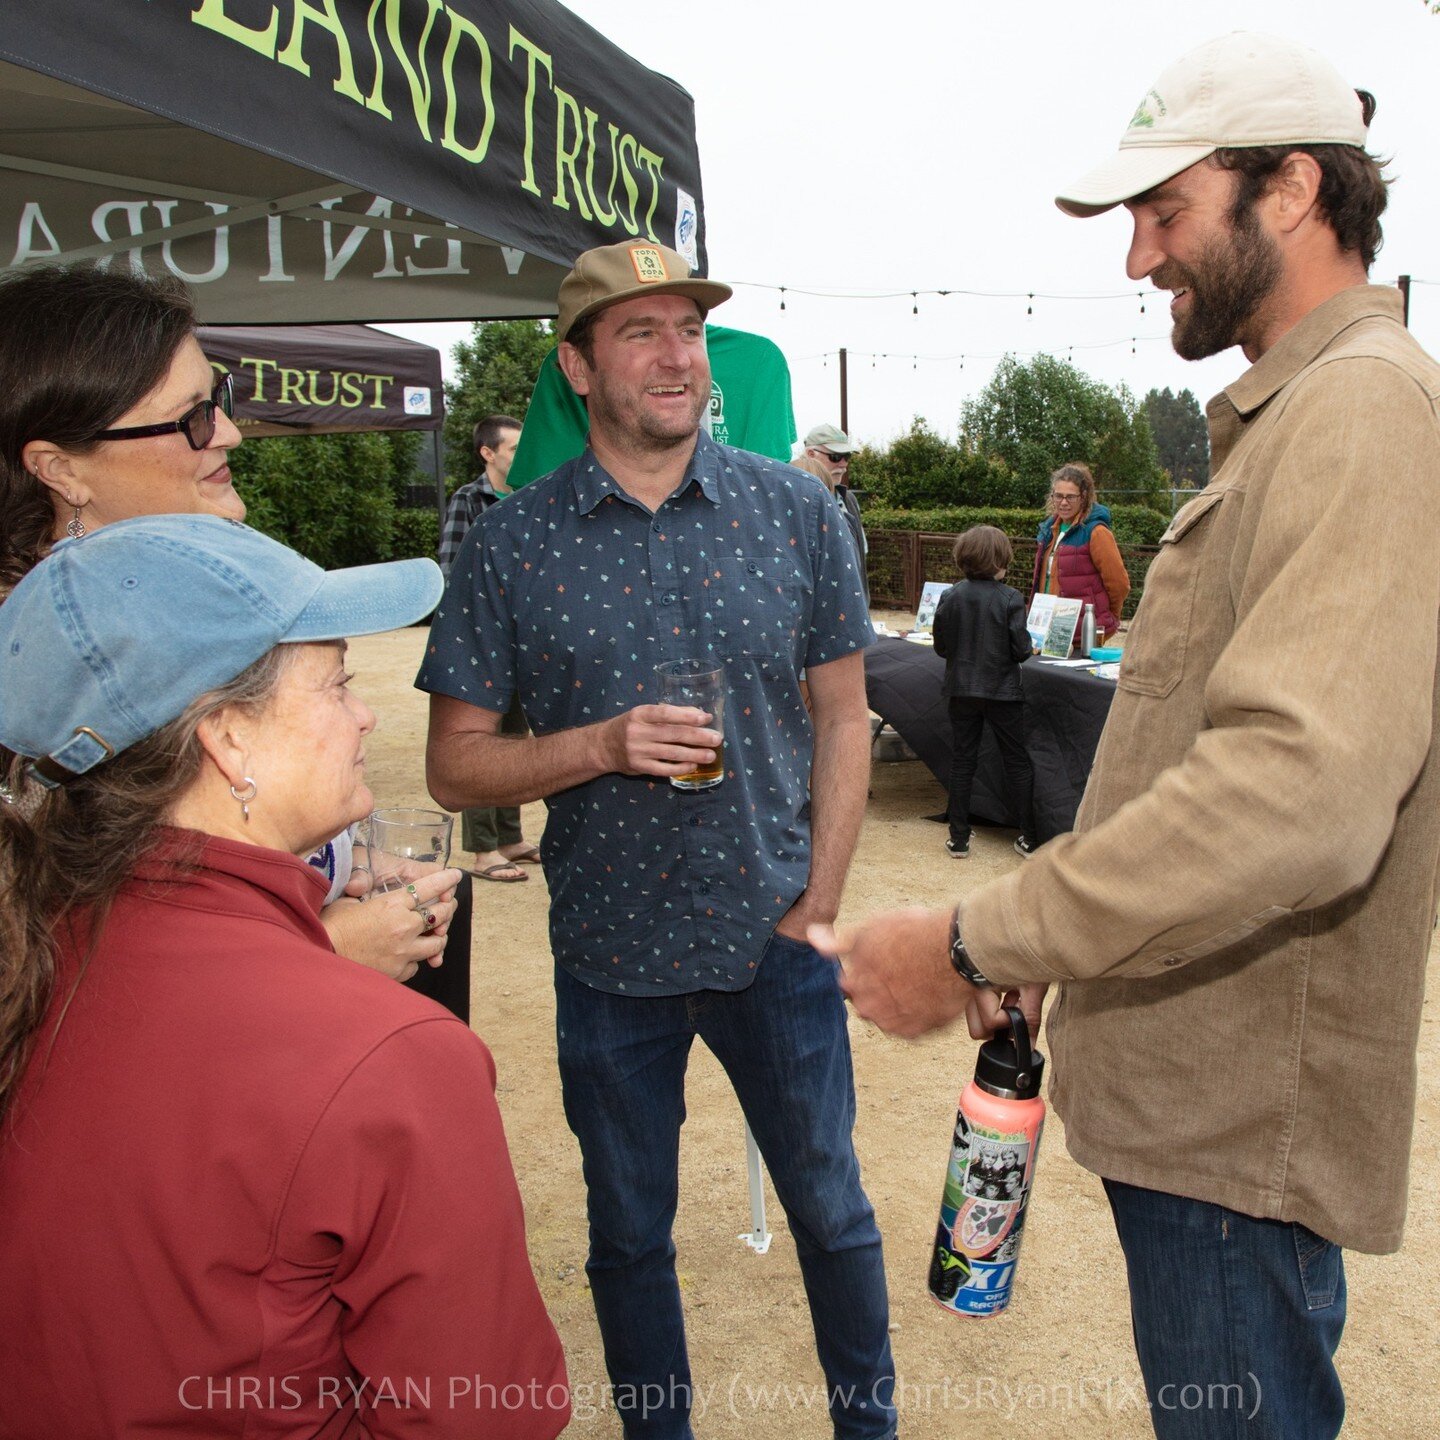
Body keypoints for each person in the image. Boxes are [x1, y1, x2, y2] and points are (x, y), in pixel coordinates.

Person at [816, 32, 1440, 1440]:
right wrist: (1055, 958)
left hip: (1235, 1137)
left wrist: (984, 937)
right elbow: (1190, 758)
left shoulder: (1361, 413)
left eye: (1165, 214)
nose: (1139, 257)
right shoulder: (1297, 419)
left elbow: (1298, 795)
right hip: (1199, 1101)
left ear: (1289, 191)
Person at [421, 240, 894, 1440]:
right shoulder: (510, 543)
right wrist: (598, 745)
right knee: (627, 1239)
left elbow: (845, 718)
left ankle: (869, 1427)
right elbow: (454, 760)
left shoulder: (797, 510)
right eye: (640, 333)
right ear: (577, 367)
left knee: (833, 1215)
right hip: (607, 953)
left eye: (687, 328)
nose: (678, 354)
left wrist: (820, 902)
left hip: (775, 941)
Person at [0, 516, 567, 1437]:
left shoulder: (37, 947)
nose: (366, 712)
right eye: (337, 681)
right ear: (228, 740)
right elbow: (480, 1416)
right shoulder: (389, 1057)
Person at [0, 263, 459, 992]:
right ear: (61, 469)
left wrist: (337, 868)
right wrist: (319, 952)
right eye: (191, 419)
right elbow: (82, 984)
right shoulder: (45, 684)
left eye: (219, 398)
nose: (232, 433)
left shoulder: (186, 605)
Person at [439, 413, 539, 884]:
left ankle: (510, 837)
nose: (522, 455)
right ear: (488, 453)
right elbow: (452, 568)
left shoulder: (529, 500)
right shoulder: (468, 499)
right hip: (482, 642)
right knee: (478, 742)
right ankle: (483, 851)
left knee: (514, 740)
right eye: (514, 448)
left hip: (525, 643)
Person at [931, 525, 1037, 859]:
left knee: (964, 761)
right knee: (1017, 761)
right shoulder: (1010, 598)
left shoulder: (950, 596)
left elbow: (941, 647)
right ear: (1002, 561)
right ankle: (1030, 837)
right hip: (1003, 692)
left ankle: (959, 838)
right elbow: (1021, 650)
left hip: (961, 690)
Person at [1031, 462, 1129, 643]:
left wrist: (1108, 617)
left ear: (1083, 497)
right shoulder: (1048, 530)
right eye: (1058, 496)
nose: (1063, 502)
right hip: (1047, 632)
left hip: (1084, 634)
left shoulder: (1097, 532)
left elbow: (1119, 583)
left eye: (1070, 497)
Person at [802, 422, 869, 604]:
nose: (843, 464)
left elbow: (859, 558)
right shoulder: (793, 499)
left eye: (846, 456)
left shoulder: (849, 500)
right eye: (835, 456)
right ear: (810, 454)